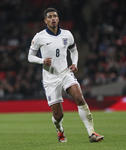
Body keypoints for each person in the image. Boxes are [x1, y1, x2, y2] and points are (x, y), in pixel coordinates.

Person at [28, 7, 104, 143]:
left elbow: (74, 50)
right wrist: (42, 61)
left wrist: (74, 63)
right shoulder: (39, 37)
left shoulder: (67, 34)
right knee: (58, 115)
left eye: (55, 16)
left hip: (65, 73)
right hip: (50, 79)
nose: (53, 19)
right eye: (50, 17)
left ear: (58, 19)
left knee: (80, 98)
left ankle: (92, 133)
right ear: (45, 21)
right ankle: (60, 130)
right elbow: (30, 57)